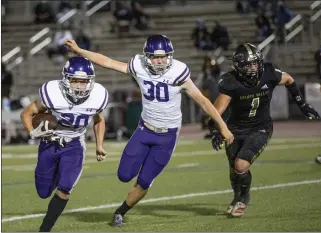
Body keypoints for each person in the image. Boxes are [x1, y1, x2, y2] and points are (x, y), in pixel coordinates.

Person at [64, 35, 234, 227]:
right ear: (147, 57)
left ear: (170, 56)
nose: (160, 61)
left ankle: (120, 212)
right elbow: (108, 62)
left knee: (144, 181)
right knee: (124, 175)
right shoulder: (139, 65)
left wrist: (223, 127)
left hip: (167, 135)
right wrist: (80, 52)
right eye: (155, 57)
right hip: (144, 130)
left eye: (164, 57)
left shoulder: (179, 72)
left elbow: (203, 102)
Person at [207, 43, 320, 217]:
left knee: (241, 164)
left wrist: (302, 104)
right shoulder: (231, 82)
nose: (253, 68)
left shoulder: (269, 73)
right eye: (248, 65)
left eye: (255, 63)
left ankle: (244, 198)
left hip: (260, 127)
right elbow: (215, 112)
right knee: (234, 169)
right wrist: (215, 130)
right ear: (238, 67)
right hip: (235, 130)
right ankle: (237, 197)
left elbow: (289, 80)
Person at [20, 56, 108, 232]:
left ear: (90, 82)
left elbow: (98, 120)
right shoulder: (53, 94)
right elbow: (27, 113)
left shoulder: (98, 96)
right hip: (49, 142)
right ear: (66, 79)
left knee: (65, 188)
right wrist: (32, 132)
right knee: (43, 192)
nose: (78, 85)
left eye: (83, 82)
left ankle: (45, 228)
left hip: (74, 145)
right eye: (74, 80)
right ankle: (58, 173)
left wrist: (99, 145)